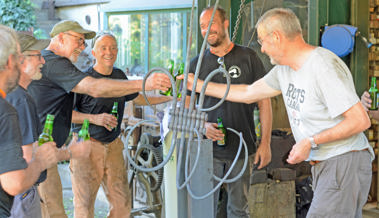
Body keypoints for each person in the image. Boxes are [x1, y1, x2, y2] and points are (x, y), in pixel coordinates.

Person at [183, 8, 373, 218]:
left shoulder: (322, 65)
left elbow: (359, 120)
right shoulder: (285, 70)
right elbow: (248, 92)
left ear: (277, 37)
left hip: (343, 159)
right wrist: (199, 85)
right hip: (324, 164)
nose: (262, 49)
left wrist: (311, 141)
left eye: (263, 41)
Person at [27, 20, 171, 218]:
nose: (82, 46)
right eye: (78, 40)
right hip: (57, 147)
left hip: (87, 145)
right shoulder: (60, 66)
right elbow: (94, 88)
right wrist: (145, 83)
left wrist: (171, 96)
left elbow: (134, 97)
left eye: (84, 42)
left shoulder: (106, 73)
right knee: (65, 211)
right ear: (60, 38)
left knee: (118, 206)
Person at [70, 32, 172, 218]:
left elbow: (138, 98)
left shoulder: (119, 75)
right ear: (93, 52)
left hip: (114, 146)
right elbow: (67, 115)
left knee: (122, 207)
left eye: (113, 47)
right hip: (86, 146)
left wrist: (171, 97)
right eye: (103, 48)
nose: (109, 52)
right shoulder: (83, 80)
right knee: (84, 209)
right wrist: (95, 119)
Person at [185, 6, 272, 218]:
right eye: (203, 26)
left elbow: (265, 103)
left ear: (225, 24)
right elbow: (186, 107)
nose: (207, 30)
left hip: (242, 149)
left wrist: (266, 143)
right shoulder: (196, 64)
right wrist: (201, 126)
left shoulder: (248, 57)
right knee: (204, 209)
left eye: (211, 23)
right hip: (206, 151)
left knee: (239, 210)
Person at [0, 25, 59, 218]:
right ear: (12, 61)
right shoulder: (10, 106)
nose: (43, 60)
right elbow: (15, 182)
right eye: (19, 58)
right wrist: (42, 159)